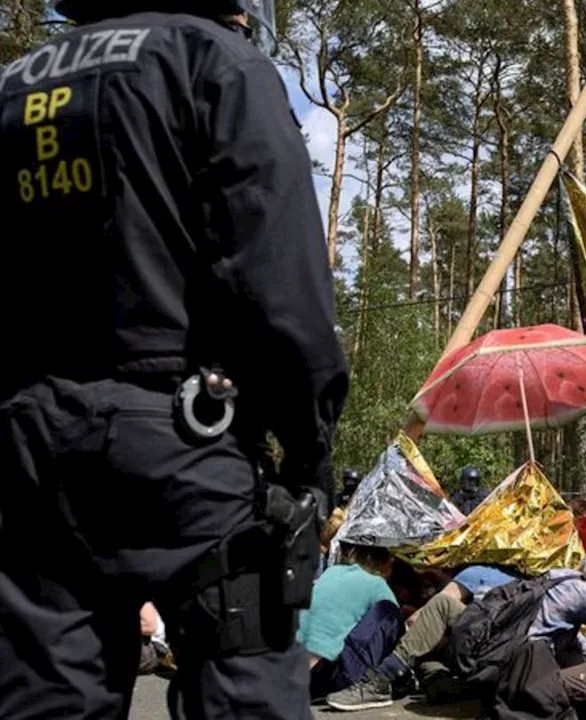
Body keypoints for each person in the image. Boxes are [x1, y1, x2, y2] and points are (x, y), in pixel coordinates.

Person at [0, 2, 347, 719]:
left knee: (44, 698)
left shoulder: (13, 87)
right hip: (186, 438)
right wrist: (310, 451)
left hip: (32, 448)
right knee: (245, 688)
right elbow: (280, 283)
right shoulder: (213, 62)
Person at [327, 551, 586, 713]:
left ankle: (397, 678)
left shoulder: (560, 576)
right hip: (512, 665)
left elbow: (562, 632)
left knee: (442, 607)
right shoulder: (585, 594)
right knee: (442, 609)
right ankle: (392, 680)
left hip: (490, 652)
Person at [300, 544, 403, 699]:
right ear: (386, 563)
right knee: (388, 611)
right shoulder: (377, 584)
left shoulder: (331, 572)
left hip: (295, 671)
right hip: (328, 676)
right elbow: (399, 632)